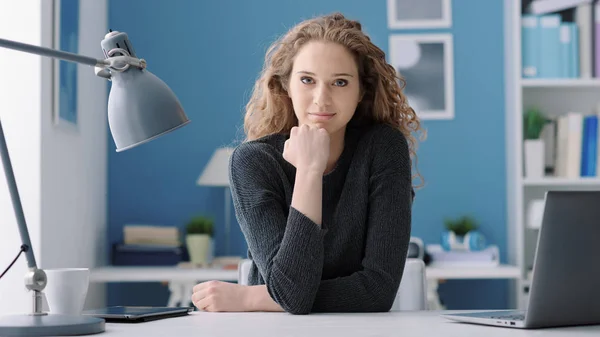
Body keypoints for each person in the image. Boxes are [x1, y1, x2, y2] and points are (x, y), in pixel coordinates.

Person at [191, 12, 424, 315]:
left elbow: (377, 292)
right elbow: (292, 294)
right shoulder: (253, 162)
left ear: (360, 91)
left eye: (340, 82)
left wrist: (252, 299)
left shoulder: (383, 148)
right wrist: (309, 171)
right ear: (286, 85)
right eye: (307, 80)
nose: (321, 99)